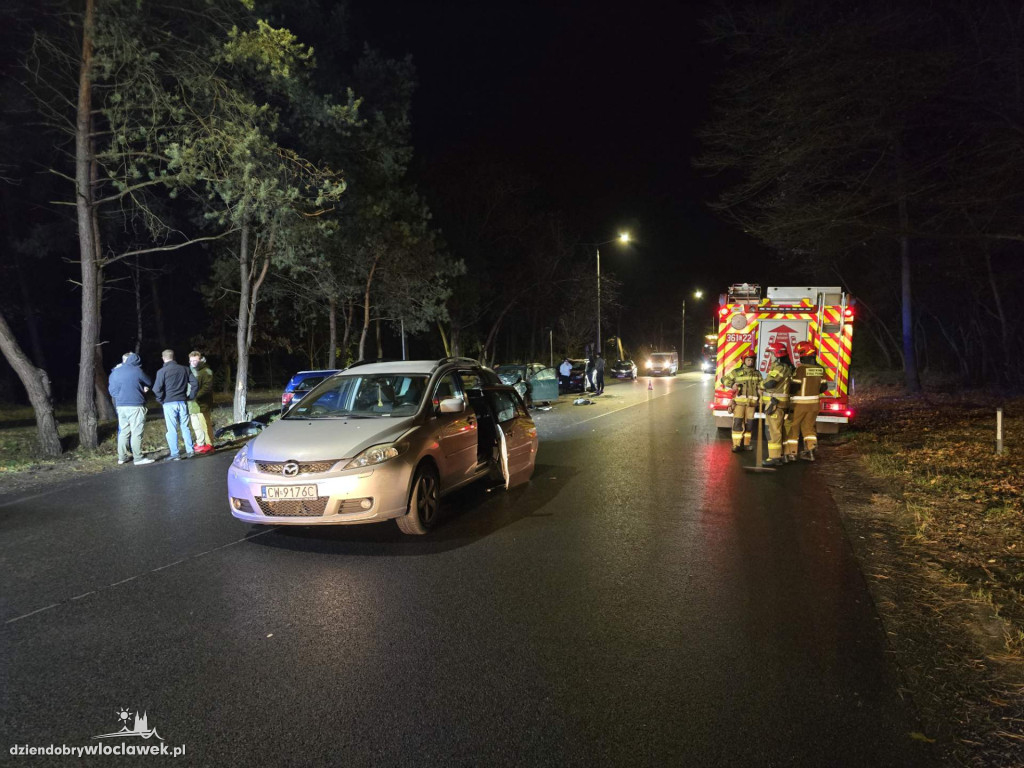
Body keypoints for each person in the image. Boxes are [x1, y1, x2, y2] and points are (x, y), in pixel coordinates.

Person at [107, 351, 155, 466]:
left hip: (121, 406)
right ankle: (138, 458)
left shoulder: (114, 372)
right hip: (136, 405)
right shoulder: (137, 370)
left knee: (123, 432)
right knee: (136, 432)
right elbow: (148, 382)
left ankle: (121, 457)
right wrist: (142, 389)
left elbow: (112, 391)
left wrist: (121, 396)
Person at [787, 340, 830, 461]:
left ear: (804, 354)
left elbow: (794, 387)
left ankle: (792, 453)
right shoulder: (820, 370)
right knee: (809, 428)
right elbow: (824, 388)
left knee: (793, 427)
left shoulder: (800, 370)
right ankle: (810, 451)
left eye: (800, 353)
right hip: (814, 405)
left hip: (799, 405)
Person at [152, 349, 197, 460]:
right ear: (173, 357)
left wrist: (160, 399)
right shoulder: (185, 369)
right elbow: (195, 383)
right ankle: (190, 450)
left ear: (163, 358)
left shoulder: (162, 372)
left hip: (168, 403)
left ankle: (175, 454)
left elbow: (156, 389)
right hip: (182, 402)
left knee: (171, 429)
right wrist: (190, 396)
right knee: (185, 426)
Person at [760, 341, 795, 467]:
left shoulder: (780, 367)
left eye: (771, 354)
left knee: (773, 431)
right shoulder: (786, 367)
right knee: (782, 430)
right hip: (781, 404)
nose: (770, 356)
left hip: (775, 405)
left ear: (777, 354)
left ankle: (774, 457)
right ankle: (783, 455)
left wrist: (761, 385)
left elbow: (770, 383)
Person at [721, 350, 762, 452]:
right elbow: (723, 379)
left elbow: (761, 387)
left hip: (751, 405)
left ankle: (746, 444)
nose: (750, 362)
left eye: (752, 360)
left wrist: (761, 397)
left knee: (749, 425)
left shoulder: (757, 374)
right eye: (748, 360)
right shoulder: (736, 372)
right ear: (744, 361)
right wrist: (732, 385)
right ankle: (736, 444)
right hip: (739, 404)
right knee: (737, 424)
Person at [188, 351, 215, 454]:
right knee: (196, 425)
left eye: (195, 360)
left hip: (202, 403)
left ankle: (209, 444)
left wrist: (195, 396)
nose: (193, 363)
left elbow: (207, 388)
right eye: (191, 361)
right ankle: (200, 443)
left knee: (205, 424)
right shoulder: (190, 370)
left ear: (200, 360)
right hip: (192, 403)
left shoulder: (206, 371)